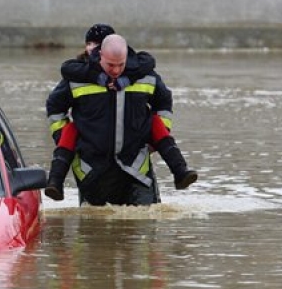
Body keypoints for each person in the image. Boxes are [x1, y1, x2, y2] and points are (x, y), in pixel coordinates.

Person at [45, 25, 198, 201]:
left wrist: (158, 136)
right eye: (110, 65)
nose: (116, 70)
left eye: (120, 65)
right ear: (100, 54)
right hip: (93, 170)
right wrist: (63, 136)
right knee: (93, 224)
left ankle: (180, 171)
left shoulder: (144, 74)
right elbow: (55, 107)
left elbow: (163, 101)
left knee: (145, 223)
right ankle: (55, 181)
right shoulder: (77, 77)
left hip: (136, 168)